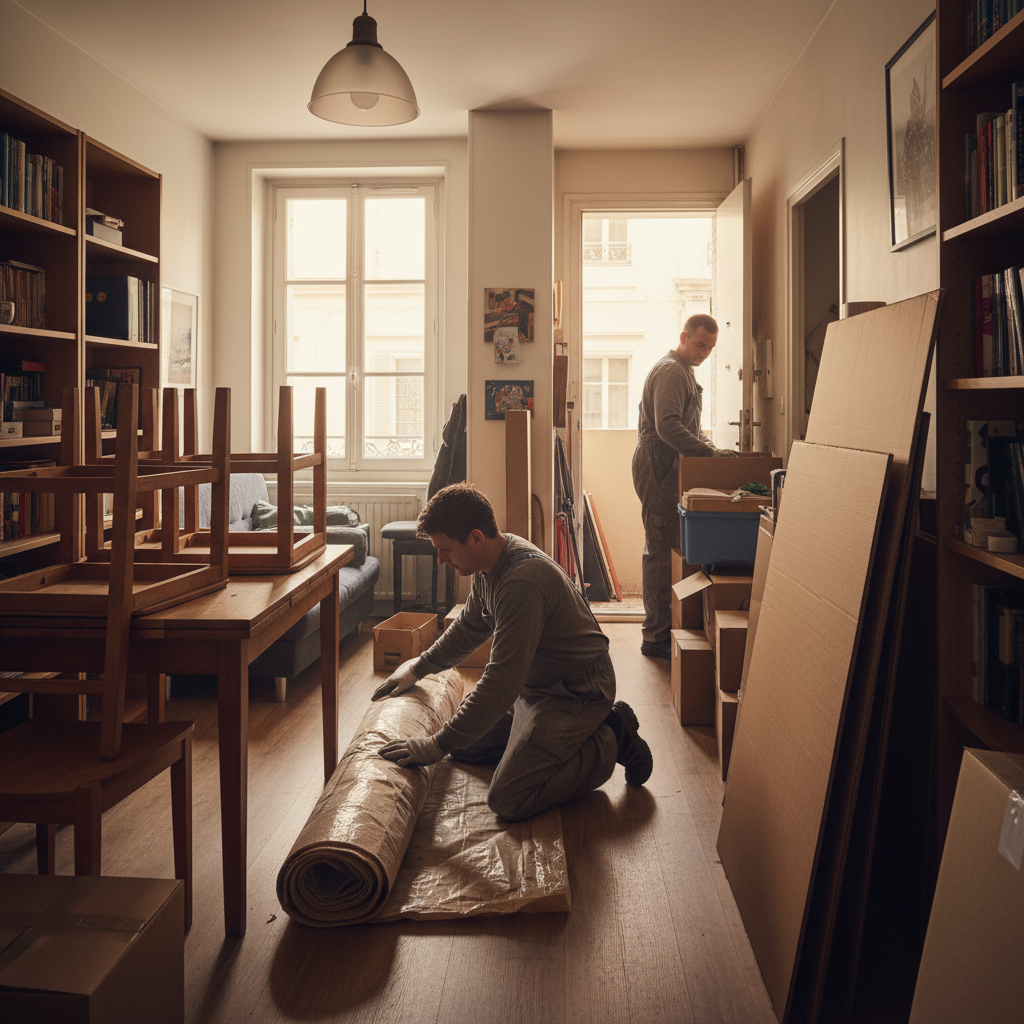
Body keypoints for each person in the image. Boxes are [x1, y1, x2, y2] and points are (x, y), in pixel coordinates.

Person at [373, 482, 653, 822]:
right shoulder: (488, 564)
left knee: (508, 798)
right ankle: (553, 736)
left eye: (445, 548)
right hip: (535, 688)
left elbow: (500, 682)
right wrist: (419, 666)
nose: (441, 559)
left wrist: (435, 745)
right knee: (464, 745)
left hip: (576, 694)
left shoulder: (522, 582)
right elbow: (470, 627)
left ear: (475, 537)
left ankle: (611, 735)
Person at [632, 313, 737, 660]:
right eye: (699, 344)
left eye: (710, 348)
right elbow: (668, 427)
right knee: (661, 553)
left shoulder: (684, 372)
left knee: (669, 549)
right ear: (683, 337)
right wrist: (709, 453)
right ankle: (655, 638)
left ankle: (664, 631)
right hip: (658, 469)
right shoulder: (672, 371)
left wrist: (712, 450)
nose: (705, 352)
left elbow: (688, 427)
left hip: (666, 468)